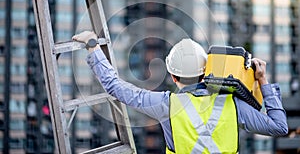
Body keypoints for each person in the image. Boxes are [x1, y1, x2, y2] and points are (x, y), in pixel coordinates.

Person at [72, 31, 288, 154]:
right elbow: (279, 127)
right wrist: (262, 80)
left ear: (173, 76)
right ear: (205, 73)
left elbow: (115, 87)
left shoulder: (166, 105)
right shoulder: (233, 104)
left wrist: (93, 46)